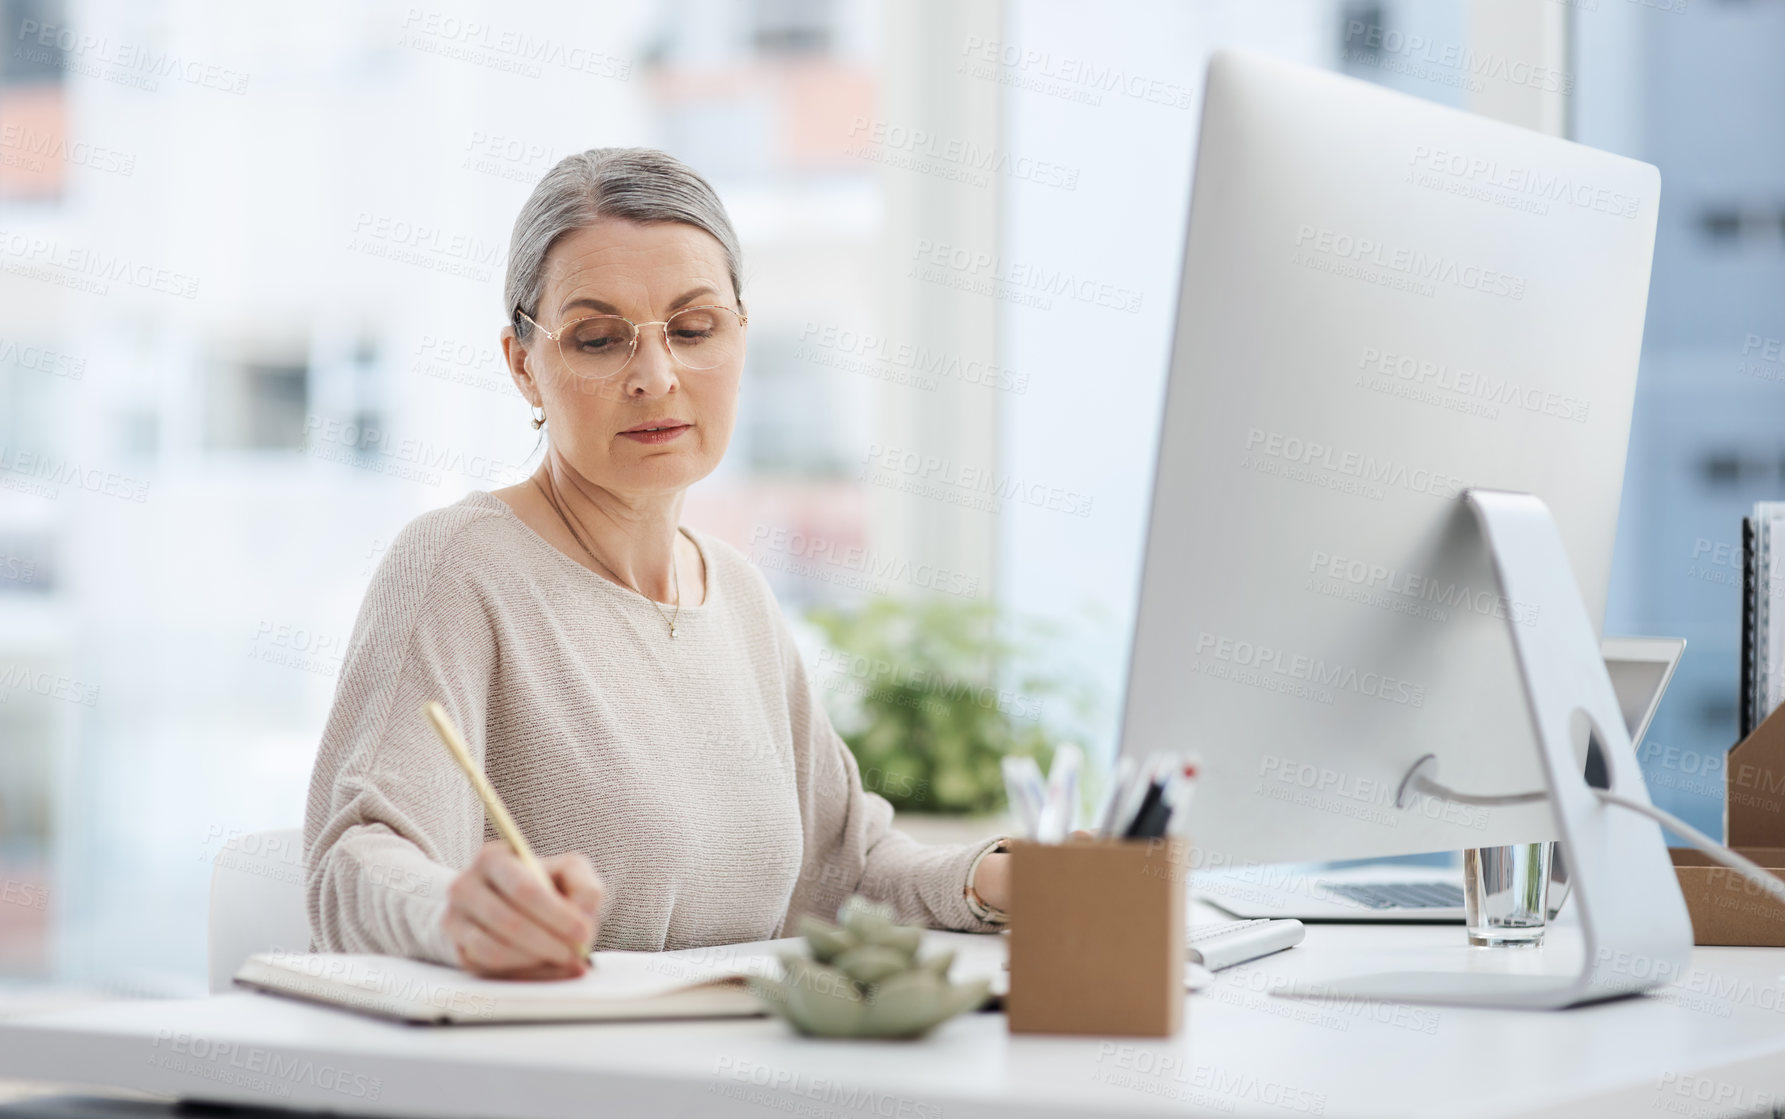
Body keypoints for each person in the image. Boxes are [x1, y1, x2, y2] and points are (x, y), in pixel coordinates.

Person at [303, 147, 1013, 979]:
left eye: (693, 329)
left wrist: (995, 879)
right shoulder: (458, 567)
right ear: (522, 364)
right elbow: (355, 859)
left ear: (741, 334)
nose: (655, 375)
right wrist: (451, 909)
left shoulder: (738, 595)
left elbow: (844, 868)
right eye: (598, 339)